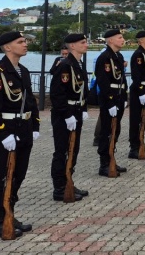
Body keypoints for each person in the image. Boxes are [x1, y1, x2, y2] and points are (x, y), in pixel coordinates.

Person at [0, 31, 40, 238]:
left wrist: (35, 126)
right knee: (4, 177)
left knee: (18, 175)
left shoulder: (22, 71)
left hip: (23, 130)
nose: (25, 44)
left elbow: (30, 101)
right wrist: (2, 134)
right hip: (6, 132)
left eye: (25, 41)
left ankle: (9, 214)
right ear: (7, 47)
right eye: (20, 42)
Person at [49, 33, 90, 201]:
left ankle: (69, 181)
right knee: (62, 151)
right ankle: (59, 187)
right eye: (83, 42)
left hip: (76, 111)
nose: (86, 44)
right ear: (72, 46)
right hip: (64, 114)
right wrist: (67, 115)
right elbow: (57, 94)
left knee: (73, 149)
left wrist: (84, 108)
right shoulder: (65, 65)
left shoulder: (77, 64)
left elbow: (82, 91)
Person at [95, 29, 128, 176]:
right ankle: (104, 164)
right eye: (119, 37)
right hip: (110, 98)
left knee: (116, 130)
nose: (123, 40)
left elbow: (122, 79)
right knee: (107, 131)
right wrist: (110, 102)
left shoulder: (118, 56)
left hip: (119, 96)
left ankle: (111, 158)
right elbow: (103, 81)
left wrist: (125, 97)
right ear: (110, 41)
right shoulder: (104, 58)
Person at [129, 30, 145, 159]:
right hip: (138, 91)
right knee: (136, 120)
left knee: (142, 120)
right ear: (141, 41)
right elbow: (136, 75)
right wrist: (141, 92)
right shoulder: (138, 55)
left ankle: (140, 145)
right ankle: (134, 148)